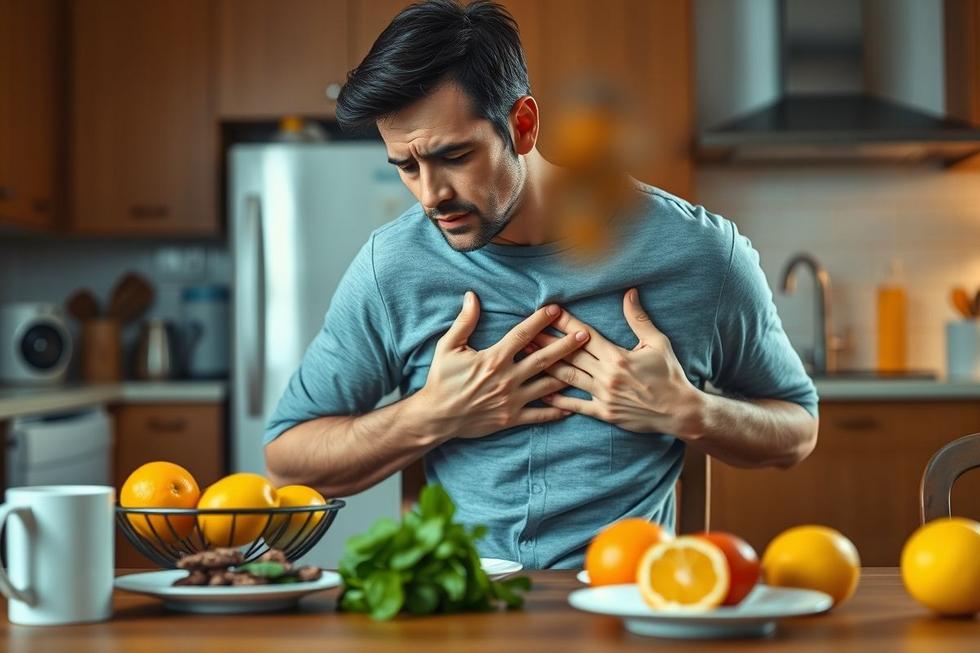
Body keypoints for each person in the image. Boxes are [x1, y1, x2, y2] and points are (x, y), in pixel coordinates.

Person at [264, 0, 818, 569]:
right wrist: (433, 414)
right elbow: (287, 461)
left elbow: (797, 430)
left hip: (624, 601)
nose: (430, 195)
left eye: (453, 156)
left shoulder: (700, 256)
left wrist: (690, 411)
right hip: (461, 610)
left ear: (522, 125)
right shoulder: (393, 268)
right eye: (406, 167)